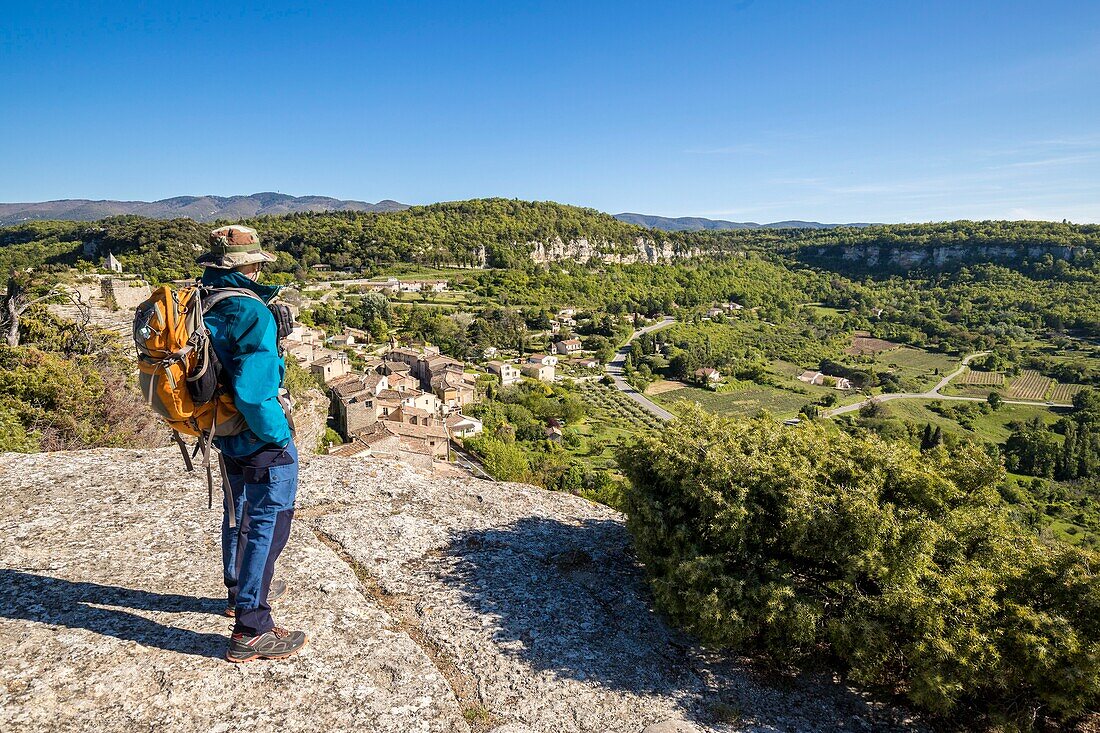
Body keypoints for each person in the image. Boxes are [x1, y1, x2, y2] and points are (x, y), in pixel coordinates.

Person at [196, 225, 308, 663]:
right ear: (250, 265)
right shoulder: (251, 311)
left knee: (237, 510)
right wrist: (281, 436)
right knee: (268, 520)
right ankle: (251, 626)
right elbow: (255, 392)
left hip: (222, 428)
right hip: (256, 433)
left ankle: (236, 588)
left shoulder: (205, 299)